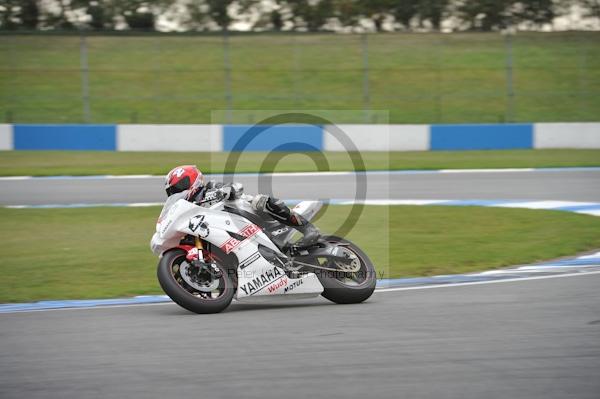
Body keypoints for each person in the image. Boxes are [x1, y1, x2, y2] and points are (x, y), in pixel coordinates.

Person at [164, 165, 320, 246]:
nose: (178, 192)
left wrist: (224, 190)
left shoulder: (211, 187)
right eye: (174, 190)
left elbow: (237, 187)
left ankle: (307, 228)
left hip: (252, 216)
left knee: (261, 201)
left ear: (193, 180)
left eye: (180, 186)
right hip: (233, 234)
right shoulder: (189, 209)